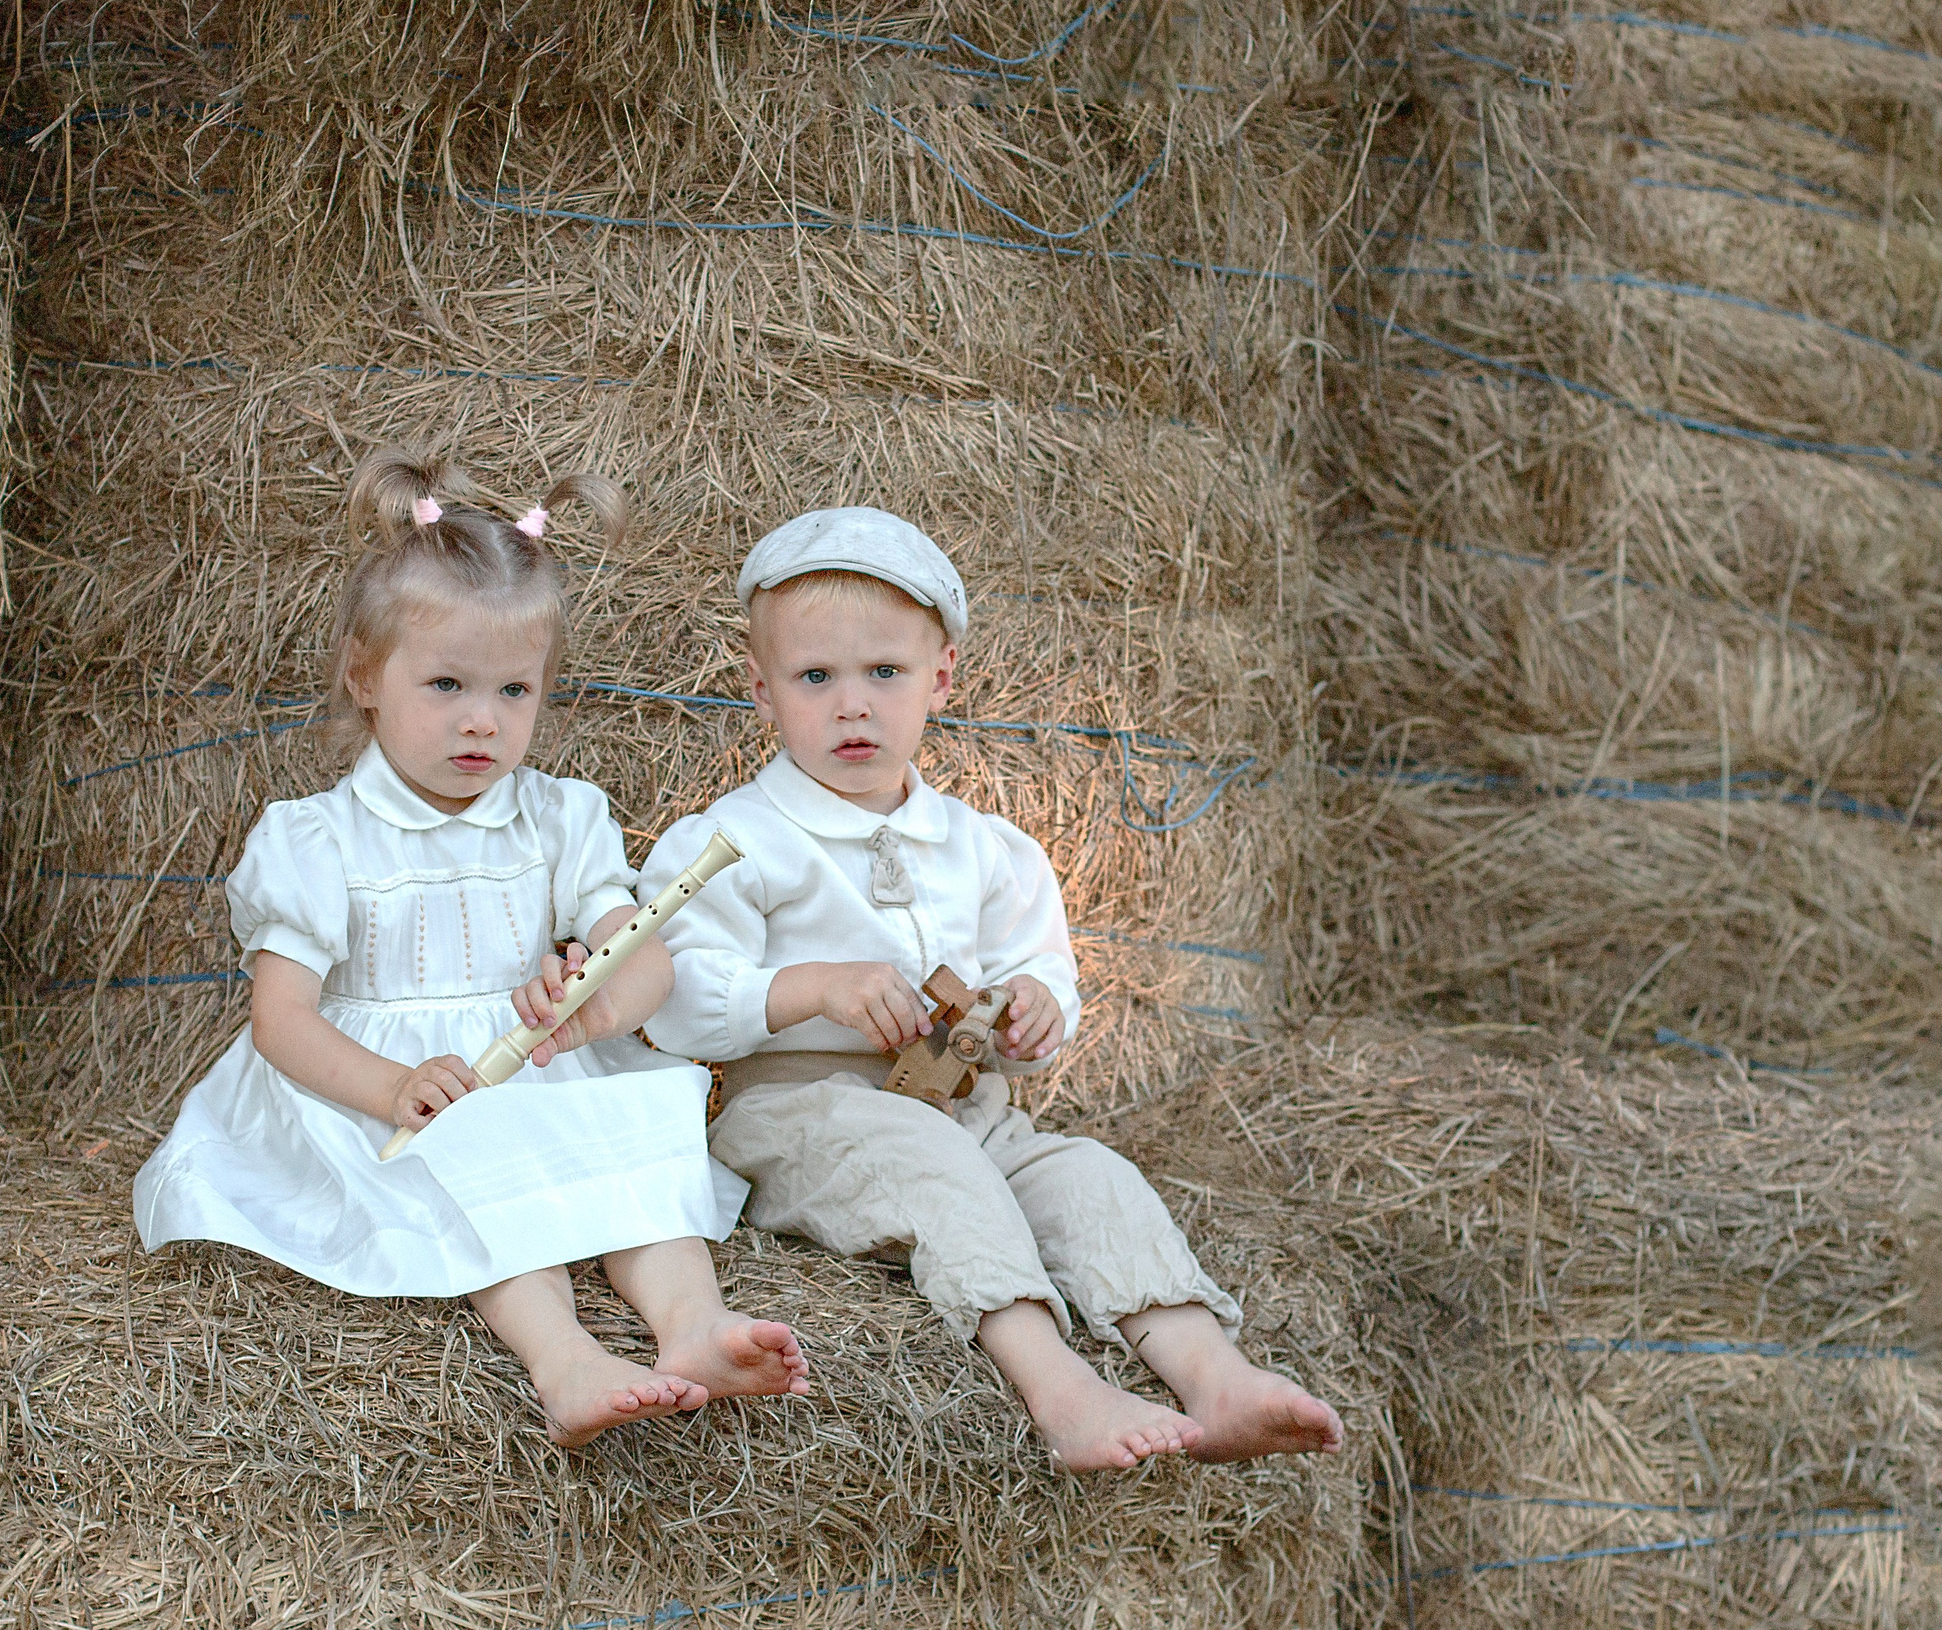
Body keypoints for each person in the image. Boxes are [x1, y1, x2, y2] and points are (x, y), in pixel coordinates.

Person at [639, 508, 1340, 1472]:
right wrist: (812, 988)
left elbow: (1037, 962)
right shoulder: (733, 841)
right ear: (762, 694)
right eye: (815, 678)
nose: (853, 705)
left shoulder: (984, 849)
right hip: (802, 1108)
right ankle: (1056, 1386)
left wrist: (1036, 1007)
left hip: (969, 1105)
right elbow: (670, 999)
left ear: (943, 678)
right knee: (934, 1171)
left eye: (884, 672)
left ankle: (1211, 1373)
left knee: (1088, 1174)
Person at [134, 447, 808, 1445]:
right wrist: (388, 1086)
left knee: (631, 1141)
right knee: (486, 1171)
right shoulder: (316, 837)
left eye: (514, 692)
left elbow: (642, 948)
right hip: (383, 1081)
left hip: (525, 1055)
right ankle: (565, 1358)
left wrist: (602, 999)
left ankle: (694, 1323)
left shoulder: (559, 815)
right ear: (364, 673)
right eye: (446, 683)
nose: (481, 722)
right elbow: (279, 1020)